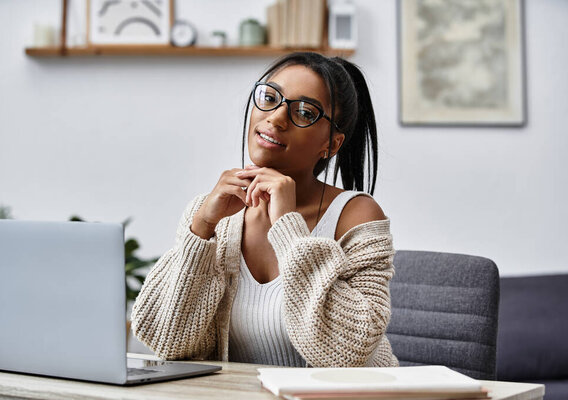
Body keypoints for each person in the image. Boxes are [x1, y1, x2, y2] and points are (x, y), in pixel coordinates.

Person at [131, 52, 398, 368]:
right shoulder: (212, 215)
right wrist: (202, 226)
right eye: (270, 97)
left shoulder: (357, 216)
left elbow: (350, 351)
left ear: (331, 144)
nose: (276, 118)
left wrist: (288, 228)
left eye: (303, 112)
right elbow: (167, 343)